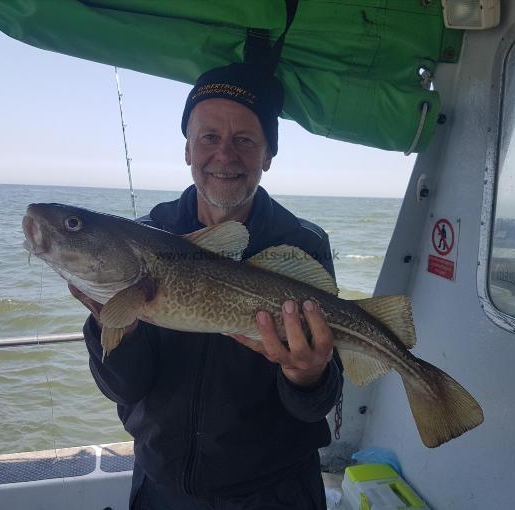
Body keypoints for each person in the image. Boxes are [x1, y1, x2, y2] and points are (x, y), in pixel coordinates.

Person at [69, 62, 343, 510]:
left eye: (244, 140)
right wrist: (110, 324)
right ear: (188, 149)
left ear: (267, 156)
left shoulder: (302, 245)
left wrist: (307, 375)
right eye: (209, 138)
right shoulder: (145, 237)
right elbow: (125, 389)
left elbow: (318, 406)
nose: (225, 155)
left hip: (274, 492)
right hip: (163, 485)